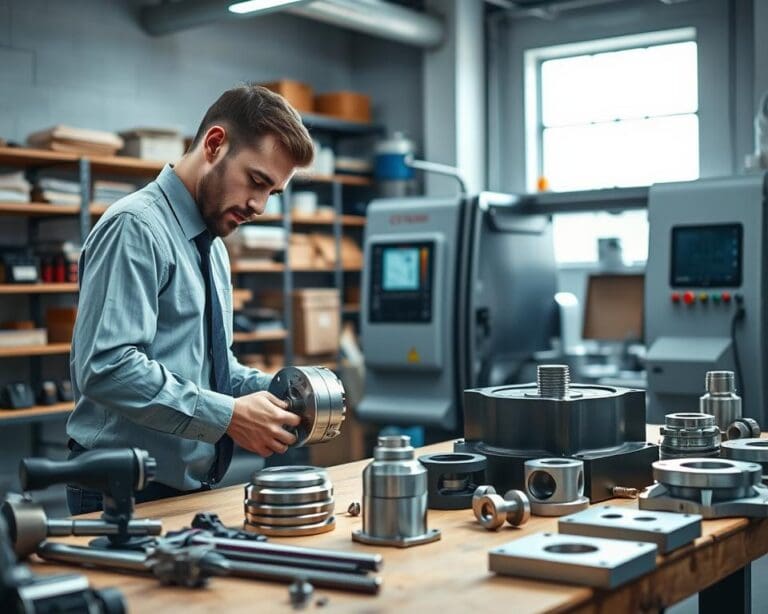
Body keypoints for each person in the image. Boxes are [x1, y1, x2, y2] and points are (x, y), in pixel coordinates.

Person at [65, 84, 315, 514]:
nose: (258, 206)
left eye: (271, 193)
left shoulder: (212, 243)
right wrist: (231, 416)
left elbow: (210, 366)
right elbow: (107, 367)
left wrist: (282, 395)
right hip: (121, 489)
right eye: (256, 181)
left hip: (187, 486)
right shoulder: (135, 227)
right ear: (215, 144)